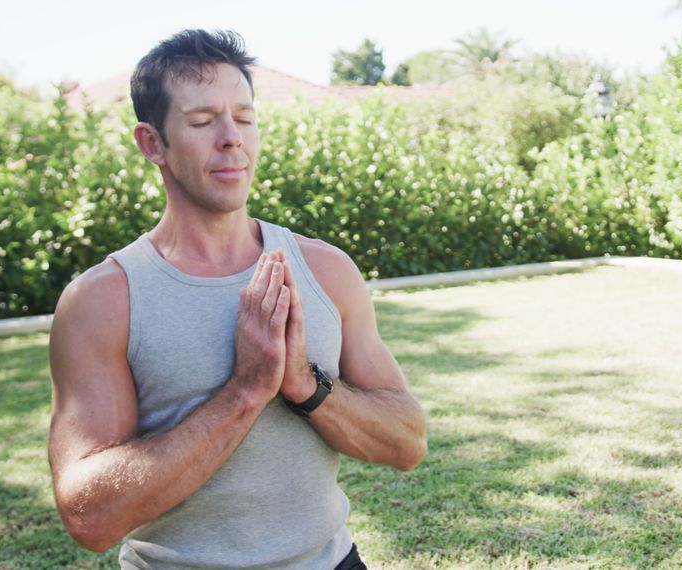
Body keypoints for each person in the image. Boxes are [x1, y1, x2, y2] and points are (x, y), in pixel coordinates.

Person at [47, 29, 427, 569]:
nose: (232, 139)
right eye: (202, 122)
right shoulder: (102, 302)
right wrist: (246, 390)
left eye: (244, 118)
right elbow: (90, 518)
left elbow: (407, 443)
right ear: (152, 143)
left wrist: (304, 384)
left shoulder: (325, 270)